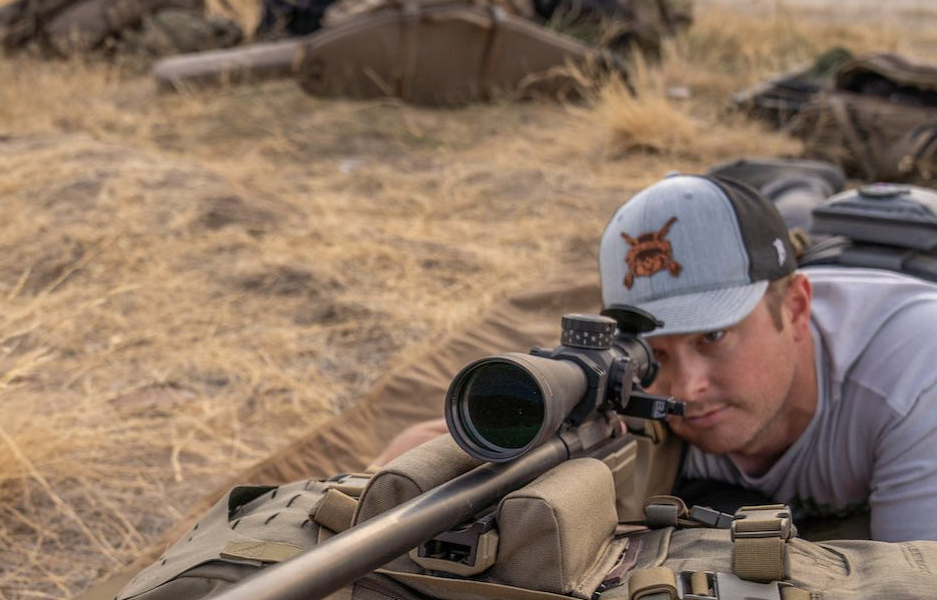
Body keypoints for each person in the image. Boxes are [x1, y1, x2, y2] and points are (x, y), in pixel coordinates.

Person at [375, 172, 937, 541]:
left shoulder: (915, 374)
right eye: (655, 351)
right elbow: (420, 450)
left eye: (712, 337)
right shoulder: (631, 376)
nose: (685, 388)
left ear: (794, 307)